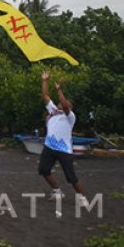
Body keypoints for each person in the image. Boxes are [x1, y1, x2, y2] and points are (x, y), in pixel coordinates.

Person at [38, 71, 87, 204]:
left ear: (70, 108)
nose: (61, 104)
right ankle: (57, 191)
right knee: (43, 170)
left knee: (70, 176)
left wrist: (59, 90)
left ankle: (82, 197)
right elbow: (45, 96)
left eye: (65, 104)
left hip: (64, 150)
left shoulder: (70, 117)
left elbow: (64, 105)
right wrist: (45, 81)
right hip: (49, 147)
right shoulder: (53, 111)